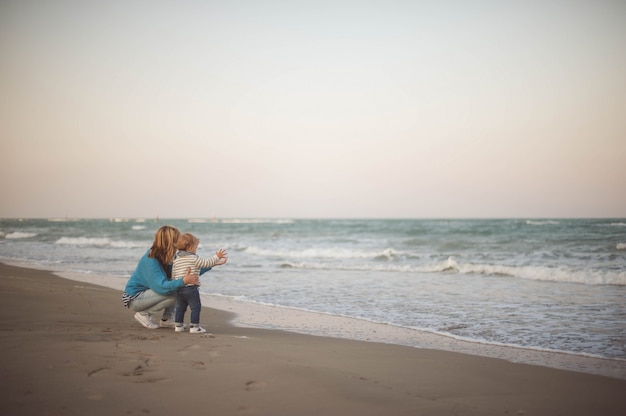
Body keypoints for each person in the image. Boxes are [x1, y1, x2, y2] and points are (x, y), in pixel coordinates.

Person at [122, 225, 199, 329]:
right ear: (170, 241)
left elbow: (185, 271)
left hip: (148, 294)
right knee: (178, 289)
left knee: (179, 286)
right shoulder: (151, 258)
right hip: (135, 298)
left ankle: (166, 319)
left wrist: (212, 263)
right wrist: (183, 281)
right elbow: (161, 287)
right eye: (178, 239)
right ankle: (144, 314)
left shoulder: (168, 256)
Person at [172, 233, 228, 333]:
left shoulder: (177, 260)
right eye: (196, 247)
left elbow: (174, 275)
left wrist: (176, 285)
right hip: (191, 288)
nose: (196, 249)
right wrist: (217, 257)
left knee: (180, 307)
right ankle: (194, 327)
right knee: (195, 307)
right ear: (190, 247)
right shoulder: (193, 258)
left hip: (179, 288)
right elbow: (206, 263)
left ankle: (178, 326)